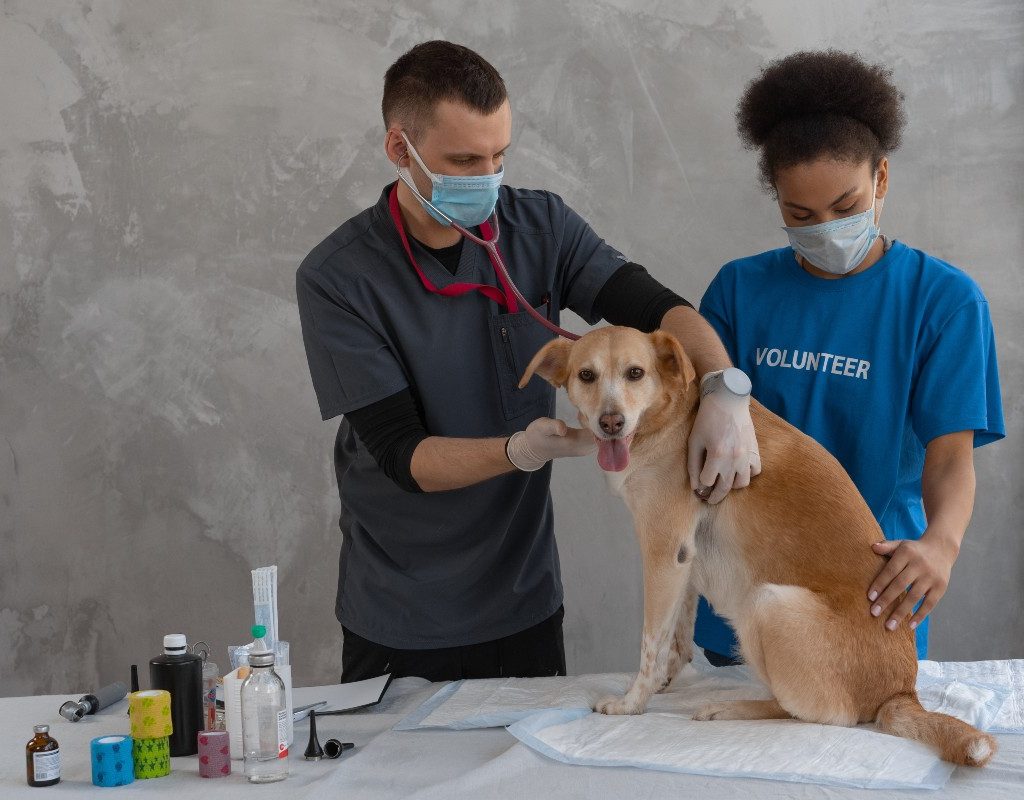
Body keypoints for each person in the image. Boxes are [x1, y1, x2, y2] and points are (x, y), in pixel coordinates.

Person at [295, 41, 761, 683]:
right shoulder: (338, 278)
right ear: (399, 150)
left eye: (498, 157)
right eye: (463, 161)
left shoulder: (539, 226)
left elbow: (659, 308)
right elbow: (403, 455)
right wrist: (523, 450)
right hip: (404, 607)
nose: (486, 179)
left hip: (523, 598)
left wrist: (725, 391)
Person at [695, 50, 1005, 664]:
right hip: (746, 588)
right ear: (776, 200)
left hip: (871, 594)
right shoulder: (737, 290)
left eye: (846, 206)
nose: (826, 230)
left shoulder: (942, 302)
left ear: (882, 178)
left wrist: (941, 545)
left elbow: (950, 459)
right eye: (799, 215)